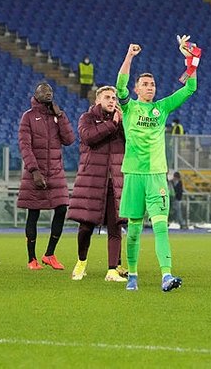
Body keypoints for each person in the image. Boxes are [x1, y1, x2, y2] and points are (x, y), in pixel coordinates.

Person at [117, 39, 198, 292]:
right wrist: (129, 56)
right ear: (137, 89)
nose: (150, 87)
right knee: (133, 231)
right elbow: (120, 85)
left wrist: (190, 61)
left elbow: (190, 89)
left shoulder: (161, 108)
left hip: (156, 176)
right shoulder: (129, 107)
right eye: (145, 84)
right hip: (133, 174)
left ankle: (166, 275)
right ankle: (132, 275)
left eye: (152, 84)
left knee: (161, 226)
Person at [67, 85, 126, 282]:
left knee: (115, 226)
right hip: (92, 181)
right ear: (98, 100)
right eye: (108, 97)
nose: (112, 101)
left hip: (114, 182)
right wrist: (112, 125)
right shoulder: (87, 118)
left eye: (114, 98)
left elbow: (131, 144)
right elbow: (89, 137)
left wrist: (124, 125)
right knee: (86, 226)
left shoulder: (120, 122)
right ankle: (81, 262)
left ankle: (112, 270)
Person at [17, 82, 75, 270]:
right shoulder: (28, 117)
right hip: (37, 173)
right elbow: (25, 146)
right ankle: (31, 259)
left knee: (61, 209)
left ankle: (49, 254)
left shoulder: (57, 116)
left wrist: (61, 115)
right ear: (36, 95)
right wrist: (34, 171)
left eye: (50, 91)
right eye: (44, 91)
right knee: (33, 213)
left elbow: (69, 140)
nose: (48, 93)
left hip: (56, 173)